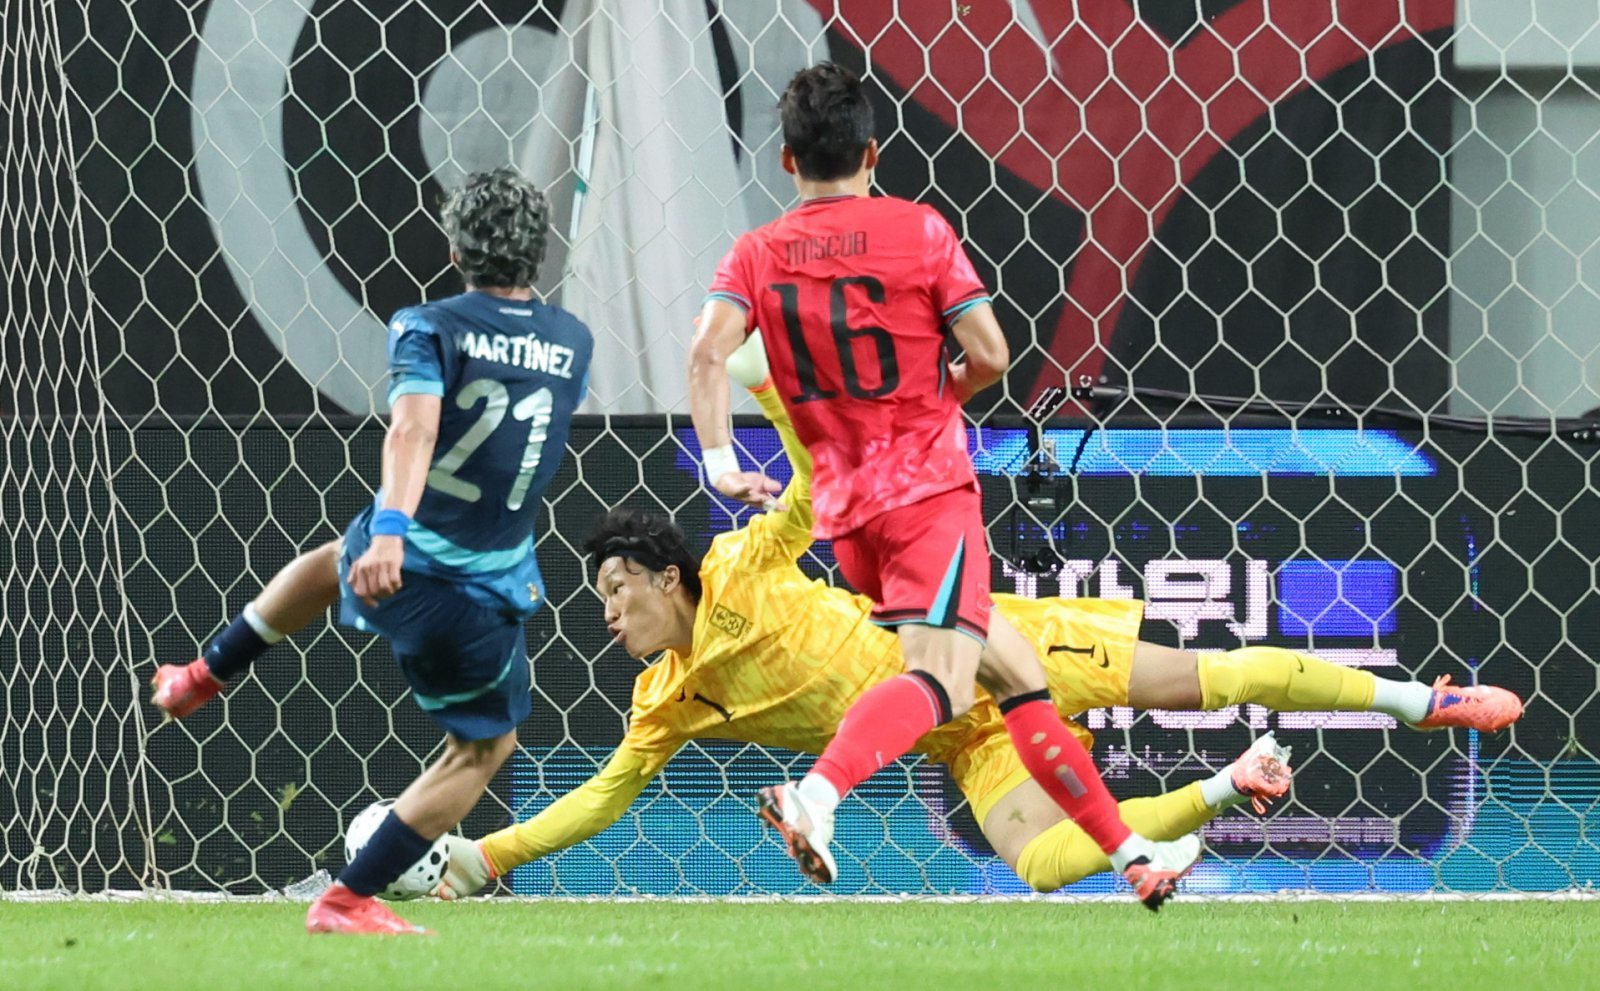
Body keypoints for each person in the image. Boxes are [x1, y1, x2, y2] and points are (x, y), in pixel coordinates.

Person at [434, 356, 1519, 899]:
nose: (607, 611)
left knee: (1213, 672)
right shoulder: (664, 700)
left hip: (993, 643)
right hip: (963, 735)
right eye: (600, 597)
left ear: (667, 575)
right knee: (1041, 865)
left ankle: (1420, 699)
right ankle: (1225, 790)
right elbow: (601, 796)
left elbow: (813, 484)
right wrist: (485, 855)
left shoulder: (737, 563)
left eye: (617, 587)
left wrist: (761, 384)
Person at [688, 62, 1199, 907]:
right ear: (872, 153)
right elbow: (991, 353)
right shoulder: (919, 229)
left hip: (850, 517)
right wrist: (941, 393)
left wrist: (718, 462)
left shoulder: (756, 253)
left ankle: (1131, 854)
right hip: (926, 494)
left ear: (787, 162)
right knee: (946, 682)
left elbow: (707, 353)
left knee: (1017, 676)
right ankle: (815, 795)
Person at [150, 168, 594, 935]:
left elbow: (413, 426)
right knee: (482, 750)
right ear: (540, 251)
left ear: (456, 250)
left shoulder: (426, 324)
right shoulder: (572, 339)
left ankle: (203, 673)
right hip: (472, 587)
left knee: (334, 559)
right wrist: (397, 534)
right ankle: (348, 895)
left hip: (394, 548)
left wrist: (389, 529)